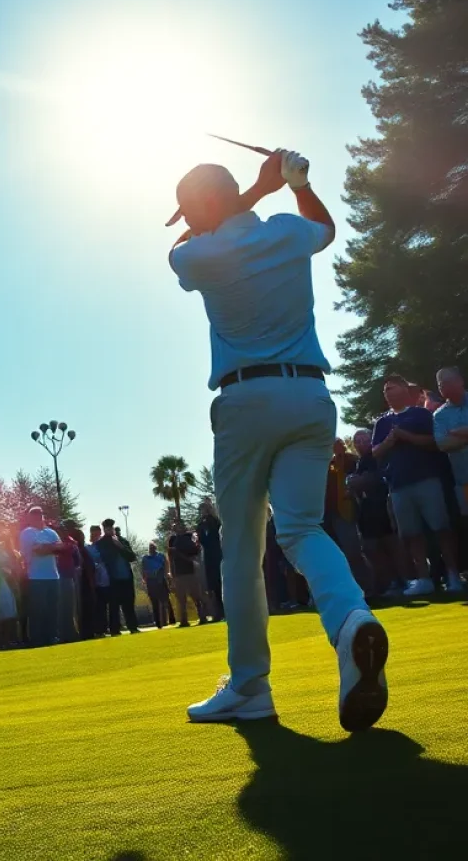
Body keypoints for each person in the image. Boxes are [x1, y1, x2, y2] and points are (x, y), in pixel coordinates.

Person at [167, 148, 387, 730]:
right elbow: (325, 227)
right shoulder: (289, 231)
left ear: (202, 211)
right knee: (302, 530)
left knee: (241, 549)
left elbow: (196, 236)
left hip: (245, 403)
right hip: (310, 397)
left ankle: (249, 688)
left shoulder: (193, 254)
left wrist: (259, 189)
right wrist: (294, 182)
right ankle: (351, 623)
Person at [372, 374, 463, 594]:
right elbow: (375, 452)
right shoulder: (382, 422)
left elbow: (434, 442)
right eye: (386, 390)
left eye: (392, 388)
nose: (388, 392)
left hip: (427, 479)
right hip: (398, 486)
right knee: (412, 534)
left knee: (441, 528)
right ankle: (424, 578)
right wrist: (389, 441)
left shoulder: (420, 414)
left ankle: (453, 575)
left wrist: (407, 436)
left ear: (404, 390)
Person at [349, 429, 405, 597]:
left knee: (392, 543)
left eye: (364, 439)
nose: (361, 443)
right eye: (357, 441)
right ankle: (386, 582)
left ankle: (403, 579)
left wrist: (357, 481)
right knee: (370, 548)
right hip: (367, 510)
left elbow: (370, 480)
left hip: (382, 505)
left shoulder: (377, 457)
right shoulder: (359, 462)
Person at [323, 439, 373, 594]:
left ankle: (367, 588)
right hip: (324, 514)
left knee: (353, 552)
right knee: (332, 556)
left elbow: (354, 478)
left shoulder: (351, 460)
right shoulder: (320, 463)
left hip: (344, 511)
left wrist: (340, 457)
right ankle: (341, 591)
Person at [433, 366, 468, 570]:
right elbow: (442, 444)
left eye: (447, 381)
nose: (443, 387)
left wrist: (458, 433)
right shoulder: (439, 415)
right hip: (463, 479)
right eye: (440, 384)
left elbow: (450, 439)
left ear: (460, 381)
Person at [19, 507, 63, 647]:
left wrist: (46, 547)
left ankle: (51, 637)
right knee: (38, 610)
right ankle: (37, 639)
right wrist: (51, 547)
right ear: (30, 517)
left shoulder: (51, 532)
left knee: (52, 609)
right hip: (36, 577)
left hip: (53, 576)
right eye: (35, 515)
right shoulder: (27, 533)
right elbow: (37, 551)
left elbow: (61, 548)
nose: (38, 518)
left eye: (40, 515)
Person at [96, 518, 138, 634]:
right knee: (113, 606)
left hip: (126, 578)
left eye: (111, 528)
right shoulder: (101, 543)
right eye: (107, 528)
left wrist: (120, 546)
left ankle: (133, 627)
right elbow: (105, 558)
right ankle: (115, 629)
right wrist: (113, 546)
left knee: (129, 603)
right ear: (104, 529)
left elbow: (132, 557)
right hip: (112, 579)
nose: (110, 530)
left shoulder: (122, 541)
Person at [167, 521, 207, 627]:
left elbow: (195, 550)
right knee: (181, 599)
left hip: (190, 570)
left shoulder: (190, 536)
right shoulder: (172, 540)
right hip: (179, 572)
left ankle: (202, 616)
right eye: (175, 527)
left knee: (196, 596)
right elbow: (170, 556)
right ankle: (184, 620)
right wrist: (172, 573)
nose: (178, 529)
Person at [196, 501, 225, 620]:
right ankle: (218, 612)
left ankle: (226, 610)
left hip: (218, 554)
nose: (203, 511)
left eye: (205, 509)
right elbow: (201, 539)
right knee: (212, 586)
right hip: (208, 557)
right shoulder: (200, 525)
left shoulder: (215, 521)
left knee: (221, 582)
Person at [85, 525, 111, 635]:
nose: (96, 536)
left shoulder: (105, 547)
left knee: (109, 605)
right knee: (99, 606)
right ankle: (100, 629)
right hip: (96, 581)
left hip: (107, 579)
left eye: (97, 534)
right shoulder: (89, 548)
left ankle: (110, 627)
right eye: (93, 534)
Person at [141, 542, 171, 628]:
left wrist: (167, 576)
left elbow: (166, 566)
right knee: (154, 602)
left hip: (161, 580)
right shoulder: (145, 558)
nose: (152, 548)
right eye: (150, 547)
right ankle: (158, 622)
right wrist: (144, 579)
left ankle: (166, 620)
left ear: (156, 547)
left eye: (153, 547)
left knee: (165, 601)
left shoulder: (161, 556)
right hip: (151, 582)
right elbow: (143, 569)